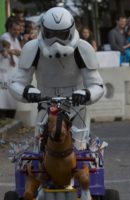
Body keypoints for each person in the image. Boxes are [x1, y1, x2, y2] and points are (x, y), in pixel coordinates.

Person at [9, 7, 104, 155]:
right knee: (40, 151)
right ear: (44, 31)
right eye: (51, 34)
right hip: (46, 106)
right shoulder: (32, 49)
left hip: (76, 108)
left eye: (61, 35)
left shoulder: (83, 49)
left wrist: (86, 94)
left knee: (81, 152)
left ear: (71, 31)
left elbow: (97, 84)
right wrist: (27, 92)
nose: (56, 41)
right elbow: (16, 82)